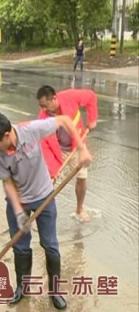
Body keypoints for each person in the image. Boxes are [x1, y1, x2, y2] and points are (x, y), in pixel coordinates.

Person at [0, 112, 92, 310]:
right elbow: (8, 182)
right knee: (20, 247)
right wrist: (19, 211)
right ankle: (23, 287)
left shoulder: (31, 131)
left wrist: (82, 150)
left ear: (6, 135)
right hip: (18, 202)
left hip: (44, 198)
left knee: (50, 245)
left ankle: (55, 291)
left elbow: (64, 120)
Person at [36, 85, 98, 222]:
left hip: (77, 146)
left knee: (82, 177)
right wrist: (53, 170)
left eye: (46, 106)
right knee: (47, 181)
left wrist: (92, 119)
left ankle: (79, 210)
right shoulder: (43, 118)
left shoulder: (69, 97)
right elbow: (44, 145)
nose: (44, 110)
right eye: (41, 106)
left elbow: (91, 97)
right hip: (56, 150)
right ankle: (40, 214)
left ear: (54, 98)